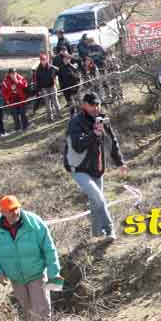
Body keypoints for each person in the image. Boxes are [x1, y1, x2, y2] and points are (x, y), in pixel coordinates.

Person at [0, 195, 62, 321]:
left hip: (36, 274)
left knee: (42, 310)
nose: (14, 212)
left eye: (16, 208)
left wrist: (54, 273)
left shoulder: (35, 222)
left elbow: (49, 249)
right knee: (27, 312)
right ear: (3, 212)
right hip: (15, 278)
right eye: (10, 210)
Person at [64, 92, 127, 241]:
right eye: (92, 105)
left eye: (98, 104)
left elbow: (112, 142)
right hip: (78, 168)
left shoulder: (103, 120)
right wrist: (94, 133)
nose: (96, 108)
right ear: (84, 105)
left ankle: (97, 234)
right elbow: (78, 146)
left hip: (97, 168)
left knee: (95, 201)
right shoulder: (75, 122)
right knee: (98, 197)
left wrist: (120, 162)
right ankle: (109, 230)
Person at [33, 53, 60, 122]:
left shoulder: (51, 67)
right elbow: (37, 81)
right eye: (42, 60)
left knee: (55, 102)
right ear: (40, 61)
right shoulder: (38, 70)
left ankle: (58, 115)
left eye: (44, 59)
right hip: (44, 88)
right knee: (48, 104)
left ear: (47, 60)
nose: (43, 61)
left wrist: (55, 77)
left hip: (52, 86)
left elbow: (58, 70)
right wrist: (39, 90)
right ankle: (50, 118)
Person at [57, 50, 82, 116]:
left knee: (78, 103)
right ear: (63, 60)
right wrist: (62, 89)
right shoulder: (61, 68)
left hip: (75, 88)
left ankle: (81, 115)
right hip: (67, 90)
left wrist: (77, 84)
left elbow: (78, 76)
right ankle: (72, 116)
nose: (66, 60)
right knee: (71, 105)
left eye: (68, 59)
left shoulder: (72, 67)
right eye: (65, 59)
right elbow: (60, 79)